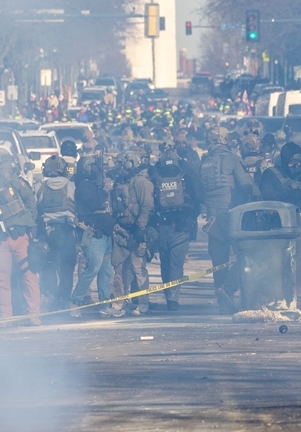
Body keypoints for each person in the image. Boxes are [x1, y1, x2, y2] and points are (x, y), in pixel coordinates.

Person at [260, 142, 301, 307]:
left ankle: (294, 298)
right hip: (278, 227)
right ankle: (276, 297)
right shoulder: (271, 174)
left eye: (298, 163)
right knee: (277, 264)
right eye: (291, 163)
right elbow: (267, 194)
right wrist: (290, 193)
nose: (296, 166)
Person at [200, 126, 258, 313]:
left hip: (212, 219)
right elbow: (247, 185)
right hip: (231, 215)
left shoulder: (204, 162)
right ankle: (232, 289)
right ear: (225, 140)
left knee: (219, 261)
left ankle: (223, 302)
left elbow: (199, 191)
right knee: (246, 254)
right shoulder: (232, 159)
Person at [0, 149, 42, 326]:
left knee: (12, 278)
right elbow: (32, 204)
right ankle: (25, 315)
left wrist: (28, 224)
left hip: (14, 236)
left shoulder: (13, 183)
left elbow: (30, 204)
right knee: (23, 277)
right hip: (6, 237)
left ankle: (16, 315)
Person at [150, 147, 201, 311]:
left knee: (165, 263)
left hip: (162, 227)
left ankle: (168, 296)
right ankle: (173, 299)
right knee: (177, 265)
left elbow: (151, 203)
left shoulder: (155, 178)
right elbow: (197, 202)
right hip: (181, 227)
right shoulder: (186, 178)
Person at [110, 151, 155, 316]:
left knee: (138, 269)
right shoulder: (118, 184)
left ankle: (143, 303)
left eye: (125, 163)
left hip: (137, 231)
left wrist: (141, 228)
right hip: (121, 232)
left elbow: (147, 206)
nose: (122, 167)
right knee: (119, 269)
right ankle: (119, 303)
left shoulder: (142, 183)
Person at [69, 155, 115, 317]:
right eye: (97, 167)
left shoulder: (96, 184)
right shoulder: (85, 185)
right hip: (93, 234)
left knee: (106, 271)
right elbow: (94, 203)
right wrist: (105, 191)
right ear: (89, 167)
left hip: (105, 234)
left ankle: (105, 305)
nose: (101, 170)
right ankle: (75, 301)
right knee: (92, 268)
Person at [36, 155, 77, 311]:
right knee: (67, 266)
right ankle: (64, 298)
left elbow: (37, 207)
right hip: (67, 230)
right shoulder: (71, 185)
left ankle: (50, 296)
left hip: (48, 231)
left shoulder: (41, 186)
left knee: (49, 265)